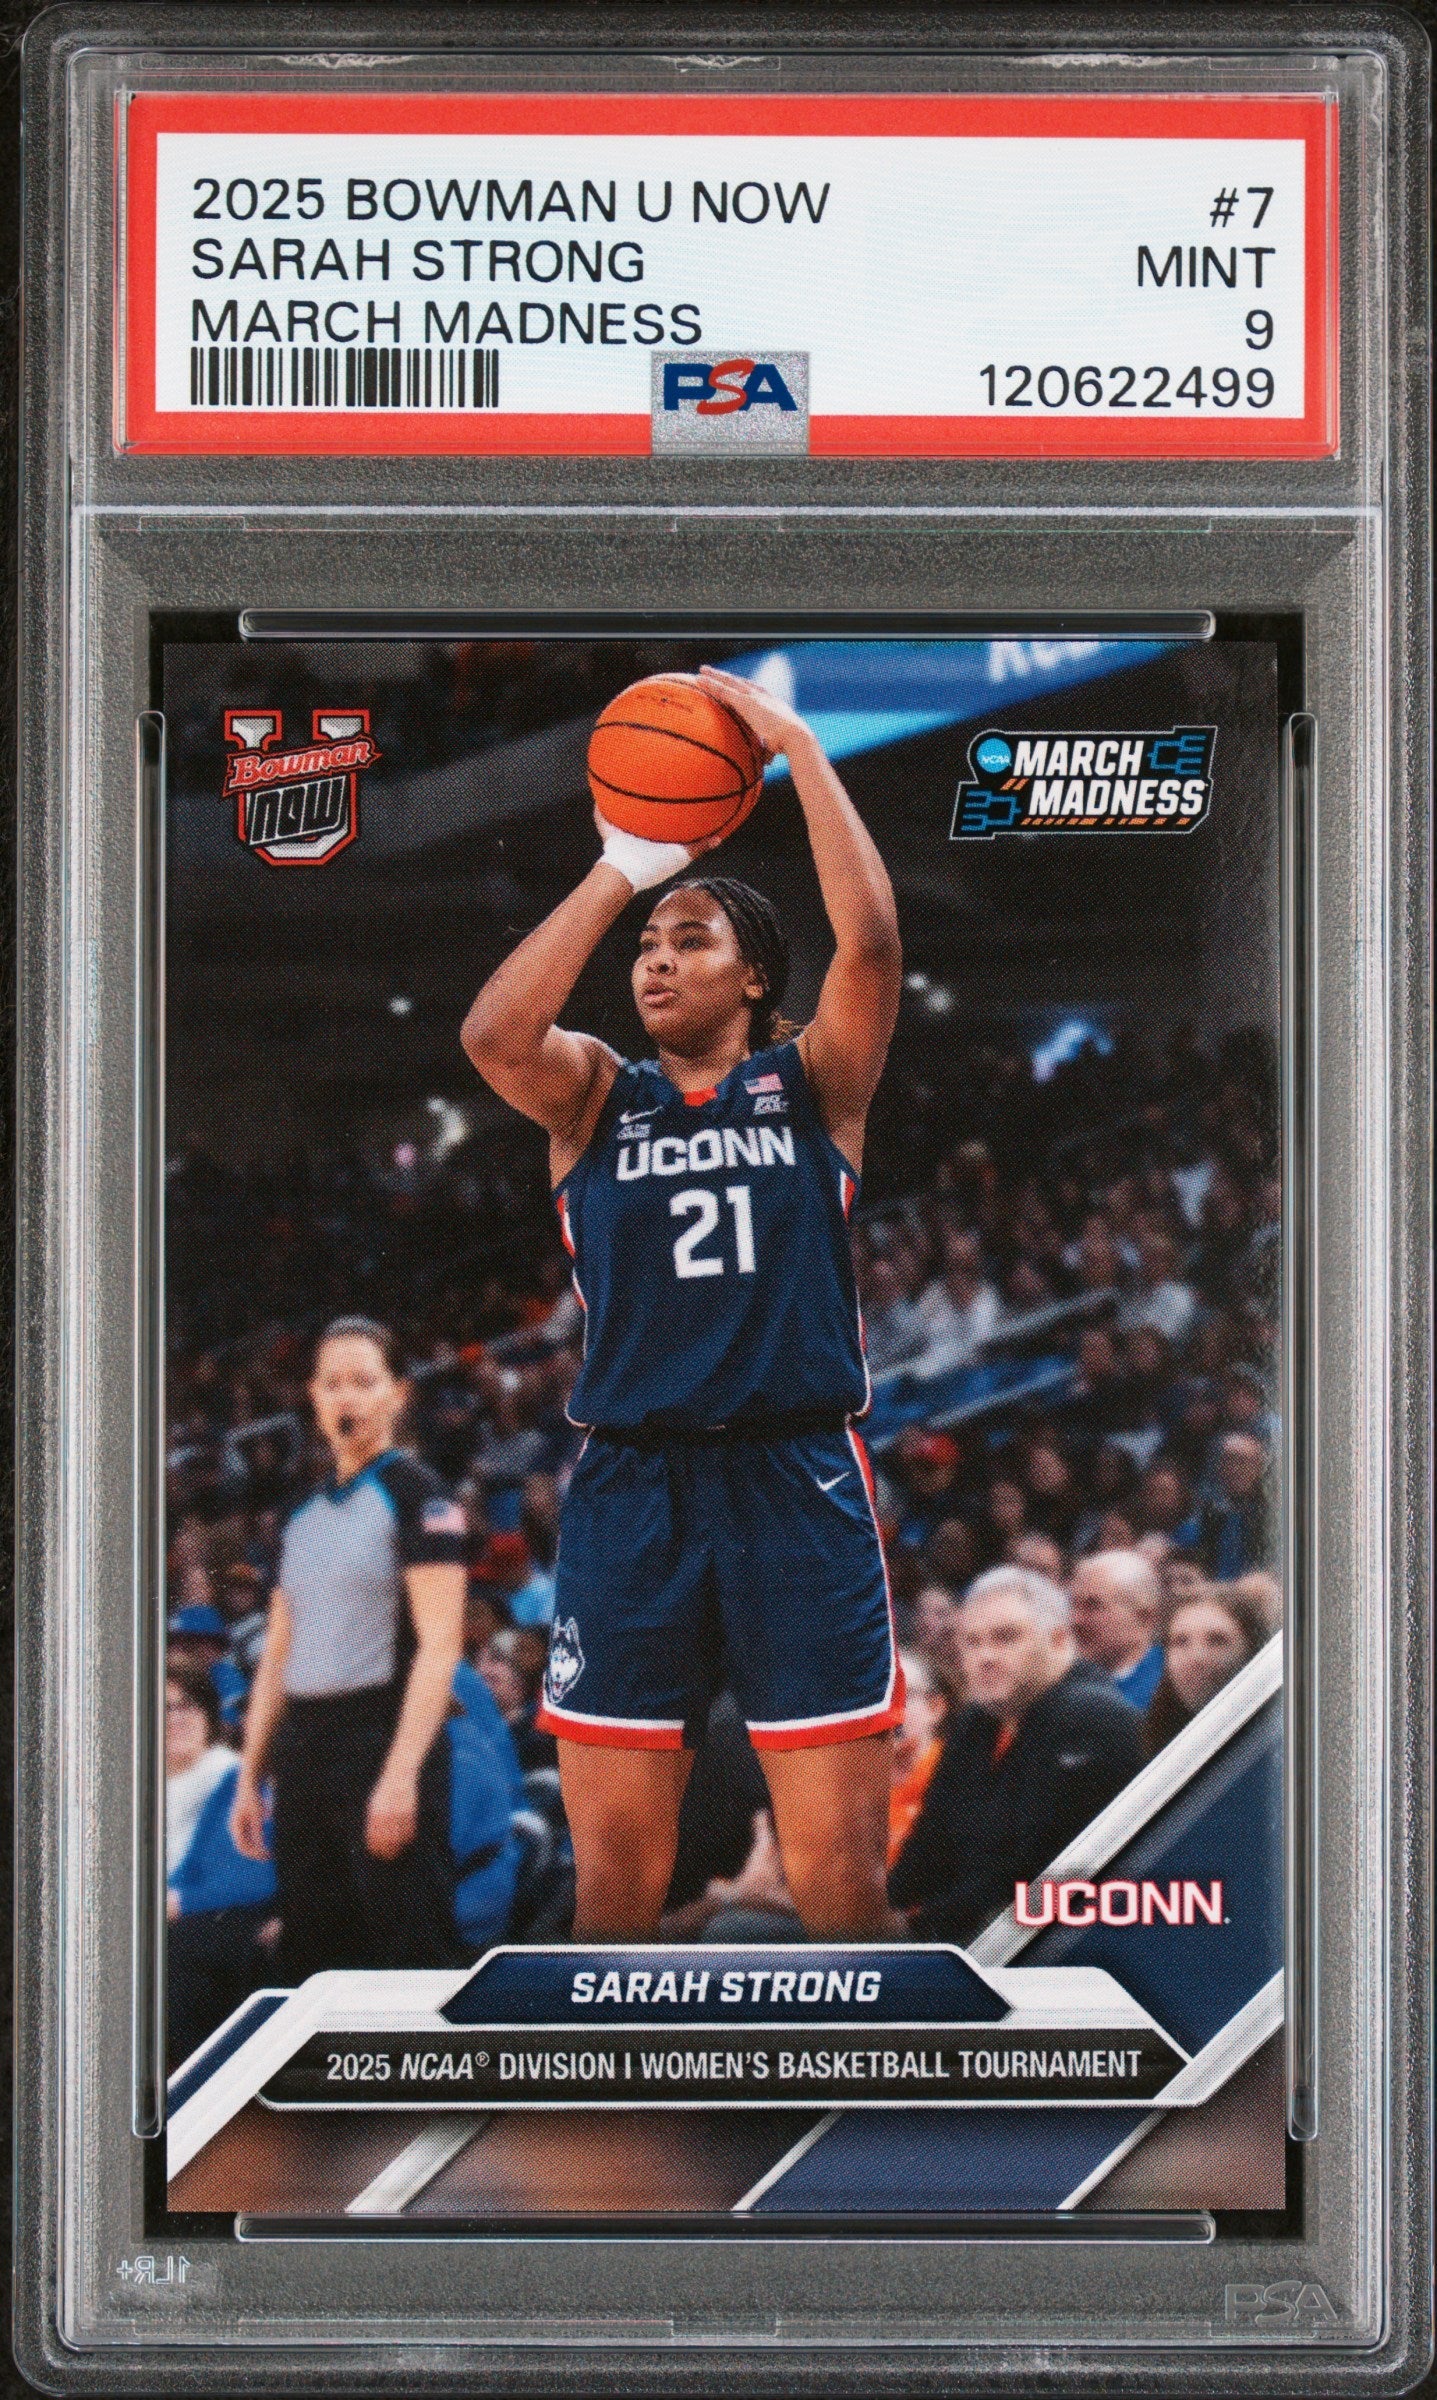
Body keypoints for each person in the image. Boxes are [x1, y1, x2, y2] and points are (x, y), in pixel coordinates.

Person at [462, 663, 904, 1940]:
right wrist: (625, 867)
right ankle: (622, 2080)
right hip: (631, 1489)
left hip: (795, 1478)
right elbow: (493, 1037)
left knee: (839, 1881)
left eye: (691, 939)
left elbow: (873, 945)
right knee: (613, 1887)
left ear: (756, 978)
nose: (657, 961)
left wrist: (801, 751)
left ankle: (870, 2077)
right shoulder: (595, 1096)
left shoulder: (814, 1084)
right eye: (649, 948)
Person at [230, 1318, 469, 1979]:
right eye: (332, 1383)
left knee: (410, 1953)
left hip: (383, 1735)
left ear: (397, 1393)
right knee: (313, 1959)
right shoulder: (298, 1514)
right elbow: (278, 1653)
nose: (347, 1397)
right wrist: (251, 1775)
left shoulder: (420, 1495)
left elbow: (441, 1645)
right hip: (305, 1748)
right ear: (313, 1396)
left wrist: (400, 1775)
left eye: (364, 1382)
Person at [888, 1567, 1142, 1941]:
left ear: (1058, 1640)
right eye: (972, 1642)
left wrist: (911, 1928)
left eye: (1006, 1638)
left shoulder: (1093, 1718)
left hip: (1057, 1943)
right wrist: (874, 1913)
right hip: (974, 1933)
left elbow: (1027, 1875)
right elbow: (930, 1847)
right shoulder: (977, 1722)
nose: (985, 1656)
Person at [166, 1661, 277, 2066]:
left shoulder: (233, 1777)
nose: (176, 1718)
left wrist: (180, 1902)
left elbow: (258, 1876)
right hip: (192, 1913)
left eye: (187, 1706)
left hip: (235, 1918)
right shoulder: (134, 1782)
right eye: (164, 1708)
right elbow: (192, 1865)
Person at [1143, 1587, 1270, 1756]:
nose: (1196, 1658)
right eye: (1180, 1641)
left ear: (1251, 1649)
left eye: (1217, 1640)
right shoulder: (1153, 1743)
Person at [1067, 1548, 1165, 1709]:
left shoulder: (1167, 1688)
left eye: (1093, 1606)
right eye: (1073, 1604)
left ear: (1144, 1618)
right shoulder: (1060, 1680)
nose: (1075, 1620)